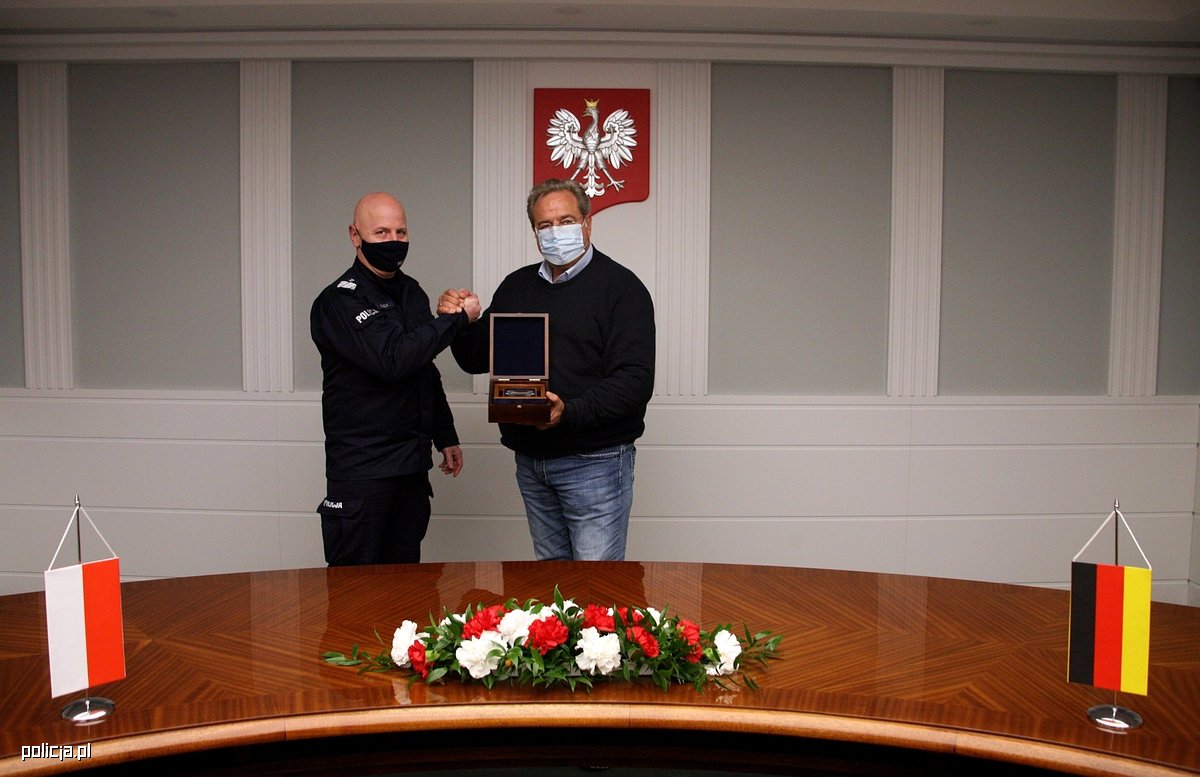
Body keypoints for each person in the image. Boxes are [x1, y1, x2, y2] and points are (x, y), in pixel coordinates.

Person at [440, 178, 655, 561]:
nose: (556, 232)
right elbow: (476, 359)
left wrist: (567, 412)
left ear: (587, 223)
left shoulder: (622, 289)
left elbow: (634, 382)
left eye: (566, 221)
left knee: (594, 585)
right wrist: (457, 320)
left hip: (596, 462)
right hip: (531, 461)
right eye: (545, 225)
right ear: (535, 232)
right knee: (551, 581)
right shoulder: (516, 287)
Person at [311, 192, 480, 566]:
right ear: (355, 236)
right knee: (355, 589)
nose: (394, 240)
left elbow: (423, 367)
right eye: (381, 232)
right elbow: (394, 359)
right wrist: (456, 320)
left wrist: (445, 435)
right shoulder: (340, 301)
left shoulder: (411, 292)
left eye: (400, 232)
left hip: (410, 468)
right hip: (363, 473)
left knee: (406, 587)